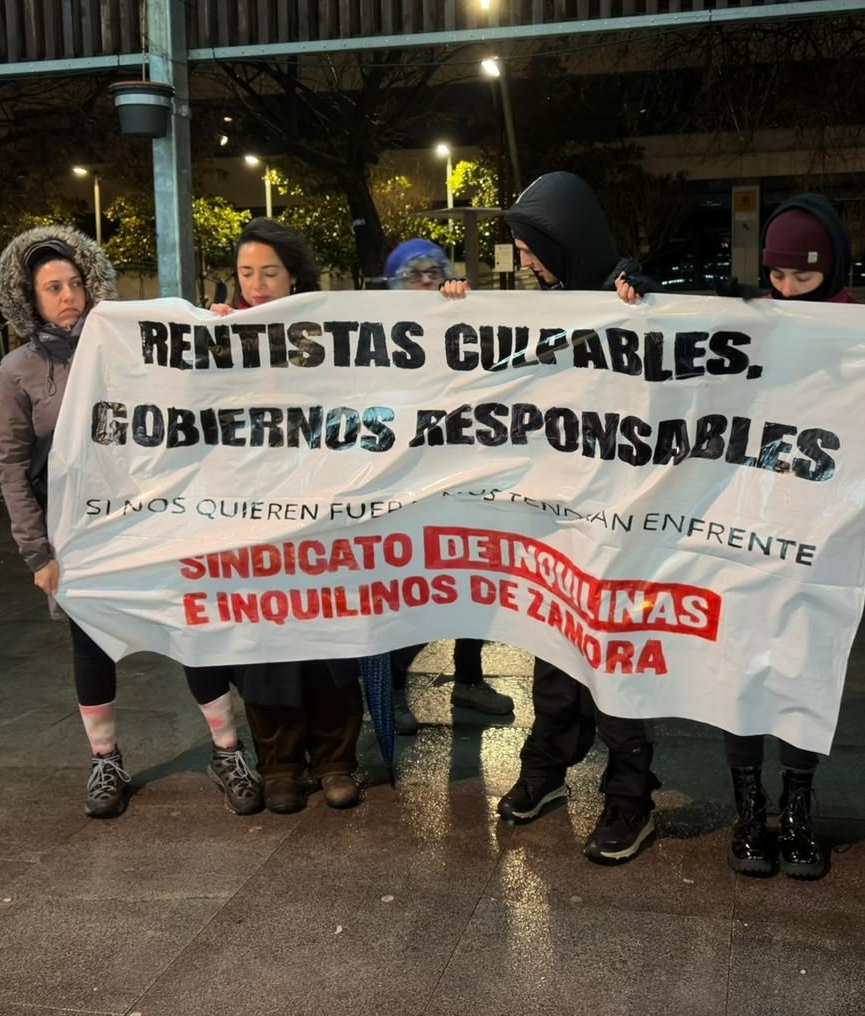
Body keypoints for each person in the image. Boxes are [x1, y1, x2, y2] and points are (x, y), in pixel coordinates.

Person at [617, 194, 865, 881]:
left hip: (813, 530)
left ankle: (797, 803)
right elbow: (666, 376)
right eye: (779, 278)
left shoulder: (859, 335)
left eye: (805, 279)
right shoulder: (745, 321)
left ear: (833, 269)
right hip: (740, 524)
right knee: (742, 666)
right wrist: (638, 300)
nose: (788, 290)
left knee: (801, 663)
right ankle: (750, 809)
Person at [0, 225, 261, 820]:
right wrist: (38, 554)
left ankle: (227, 750)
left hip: (153, 522)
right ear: (28, 299)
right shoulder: (20, 370)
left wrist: (221, 327)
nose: (67, 295)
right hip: (78, 534)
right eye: (51, 288)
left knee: (193, 630)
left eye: (74, 282)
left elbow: (195, 375)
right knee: (92, 645)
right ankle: (105, 759)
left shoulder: (130, 342)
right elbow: (11, 465)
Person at [494, 171, 662, 866]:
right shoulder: (547, 310)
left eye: (534, 248)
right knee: (554, 655)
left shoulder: (633, 301)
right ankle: (547, 769)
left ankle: (631, 799)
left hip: (621, 527)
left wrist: (643, 296)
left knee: (616, 662)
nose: (526, 262)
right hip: (557, 526)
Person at [220, 218, 366, 814]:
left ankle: (336, 759)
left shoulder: (329, 336)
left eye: (269, 273)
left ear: (293, 277)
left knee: (329, 640)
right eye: (246, 273)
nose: (256, 285)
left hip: (321, 512)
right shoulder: (216, 337)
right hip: (251, 519)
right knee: (264, 644)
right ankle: (278, 763)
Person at [382, 238, 516, 733]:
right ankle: (393, 686)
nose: (424, 281)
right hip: (406, 485)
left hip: (461, 476)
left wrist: (466, 304)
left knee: (472, 580)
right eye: (411, 274)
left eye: (433, 271)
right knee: (407, 587)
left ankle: (468, 676)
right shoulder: (377, 336)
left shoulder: (462, 323)